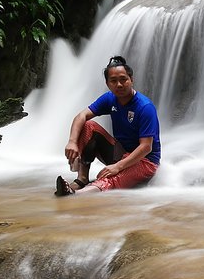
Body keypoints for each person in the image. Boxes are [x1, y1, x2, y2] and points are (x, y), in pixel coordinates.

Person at [56, 55, 161, 196]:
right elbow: (81, 116)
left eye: (123, 79)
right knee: (88, 126)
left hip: (145, 161)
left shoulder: (145, 107)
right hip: (121, 152)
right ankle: (81, 179)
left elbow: (146, 147)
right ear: (107, 83)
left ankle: (75, 195)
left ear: (131, 80)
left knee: (111, 177)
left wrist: (117, 167)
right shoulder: (109, 99)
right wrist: (72, 142)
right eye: (114, 81)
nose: (119, 84)